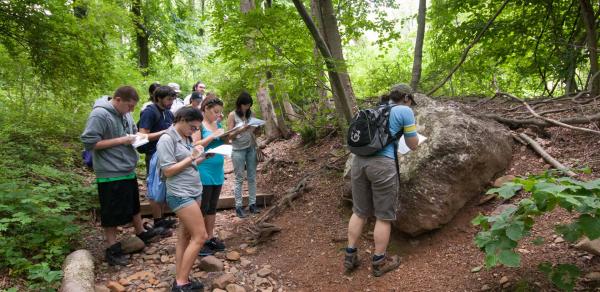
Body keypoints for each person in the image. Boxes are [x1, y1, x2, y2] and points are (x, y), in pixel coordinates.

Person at [344, 85, 420, 277]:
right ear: (406, 97)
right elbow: (413, 144)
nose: (411, 103)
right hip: (382, 166)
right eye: (410, 100)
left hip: (358, 163)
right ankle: (379, 262)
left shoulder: (377, 108)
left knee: (359, 212)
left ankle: (350, 255)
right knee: (383, 216)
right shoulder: (405, 111)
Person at [81, 86, 157, 266]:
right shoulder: (100, 114)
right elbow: (89, 142)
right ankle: (112, 248)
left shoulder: (126, 113)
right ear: (117, 100)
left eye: (133, 107)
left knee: (133, 204)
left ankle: (140, 233)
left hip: (126, 167)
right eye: (129, 106)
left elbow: (132, 133)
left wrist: (140, 137)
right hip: (109, 171)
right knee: (111, 210)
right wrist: (122, 140)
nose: (132, 110)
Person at [156, 107, 208, 292]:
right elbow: (168, 170)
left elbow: (188, 163)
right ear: (183, 120)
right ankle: (181, 283)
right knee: (200, 236)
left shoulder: (185, 137)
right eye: (193, 127)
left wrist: (202, 156)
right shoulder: (166, 139)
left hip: (194, 190)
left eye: (196, 129)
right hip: (179, 193)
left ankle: (181, 275)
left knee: (185, 236)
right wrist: (192, 157)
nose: (194, 132)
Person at [138, 85, 177, 230]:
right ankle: (157, 219)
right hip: (153, 154)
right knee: (154, 186)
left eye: (173, 99)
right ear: (158, 98)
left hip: (166, 153)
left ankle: (161, 218)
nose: (171, 102)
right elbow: (142, 135)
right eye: (168, 99)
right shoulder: (149, 112)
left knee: (163, 185)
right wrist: (165, 132)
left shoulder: (168, 113)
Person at [192, 97, 226, 256]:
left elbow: (223, 142)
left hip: (218, 168)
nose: (218, 115)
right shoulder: (199, 125)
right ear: (205, 108)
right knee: (203, 206)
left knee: (212, 206)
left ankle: (210, 236)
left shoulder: (217, 124)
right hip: (204, 168)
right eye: (215, 112)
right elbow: (194, 145)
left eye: (220, 112)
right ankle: (200, 239)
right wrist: (212, 136)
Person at [227, 91, 259, 218]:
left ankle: (253, 204)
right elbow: (229, 135)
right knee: (239, 178)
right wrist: (241, 129)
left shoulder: (252, 114)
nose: (247, 107)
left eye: (249, 105)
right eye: (245, 105)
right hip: (238, 150)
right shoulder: (232, 115)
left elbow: (254, 132)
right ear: (240, 104)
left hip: (251, 148)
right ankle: (238, 206)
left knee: (252, 177)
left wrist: (256, 127)